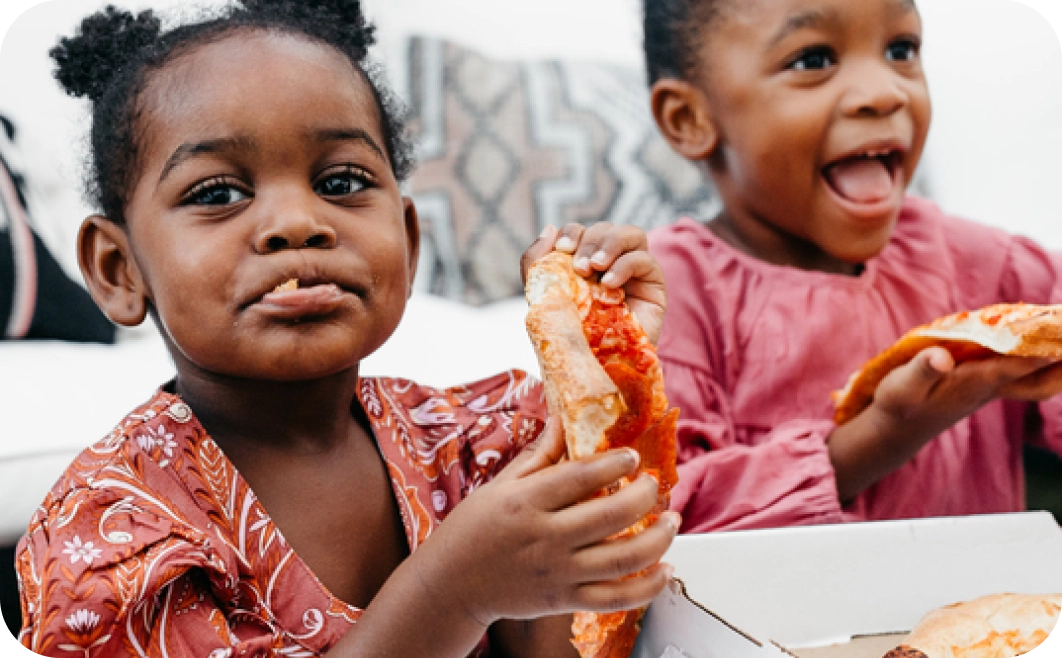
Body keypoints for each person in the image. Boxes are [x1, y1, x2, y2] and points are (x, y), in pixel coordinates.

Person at [14, 2, 680, 656]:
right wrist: (452, 592)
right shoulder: (113, 535)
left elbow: (565, 646)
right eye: (217, 193)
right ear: (118, 269)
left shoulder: (471, 444)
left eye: (340, 180)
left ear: (410, 244)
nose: (298, 222)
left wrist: (596, 370)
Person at [643, 0, 1062, 533]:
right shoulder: (663, 295)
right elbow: (655, 523)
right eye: (813, 59)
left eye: (900, 50)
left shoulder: (973, 262)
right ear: (690, 119)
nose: (885, 91)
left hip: (987, 617)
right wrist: (880, 437)